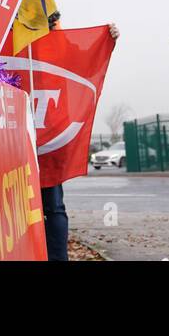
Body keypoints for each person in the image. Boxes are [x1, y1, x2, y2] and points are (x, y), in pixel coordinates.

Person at [40, 20, 120, 261]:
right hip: (45, 131)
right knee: (51, 205)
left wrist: (107, 40)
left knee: (51, 204)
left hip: (48, 134)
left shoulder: (57, 42)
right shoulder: (18, 36)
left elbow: (86, 57)